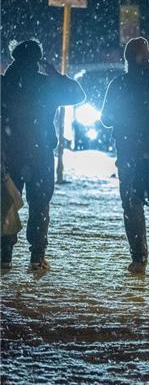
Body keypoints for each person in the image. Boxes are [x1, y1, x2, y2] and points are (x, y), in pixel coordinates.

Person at [0, 39, 84, 272]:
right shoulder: (46, 84)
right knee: (39, 205)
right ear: (38, 60)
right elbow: (78, 95)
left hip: (9, 154)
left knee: (6, 204)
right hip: (40, 154)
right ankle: (37, 257)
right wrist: (57, 75)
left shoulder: (4, 84)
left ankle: (4, 254)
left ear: (15, 58)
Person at [100, 37, 149, 274]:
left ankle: (138, 258)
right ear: (148, 57)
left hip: (129, 153)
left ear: (126, 59)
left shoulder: (118, 85)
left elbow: (106, 119)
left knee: (132, 204)